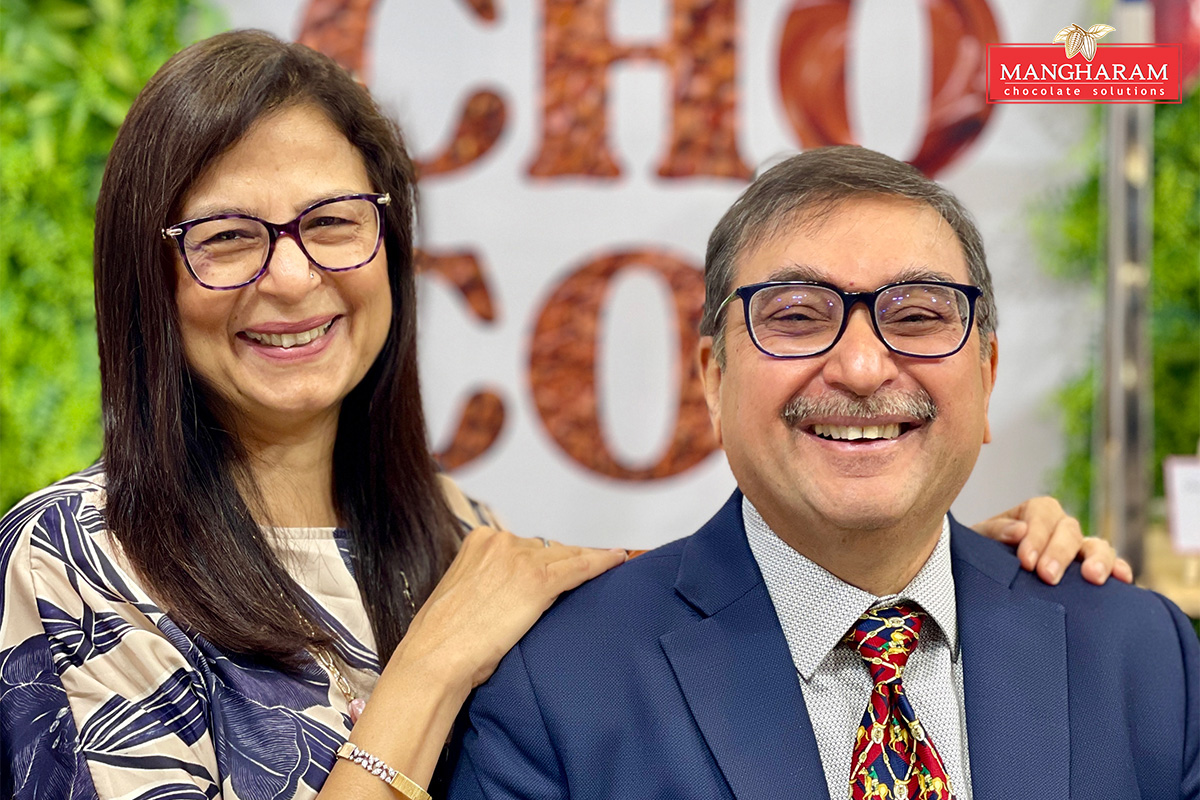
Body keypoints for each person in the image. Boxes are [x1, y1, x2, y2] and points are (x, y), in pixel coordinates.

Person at [0, 32, 1125, 800]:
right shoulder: (72, 562)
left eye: (333, 222)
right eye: (228, 238)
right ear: (149, 275)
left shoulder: (456, 534)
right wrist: (429, 670)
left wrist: (947, 573)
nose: (292, 278)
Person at [448, 147, 1198, 800]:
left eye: (916, 316)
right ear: (714, 379)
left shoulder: (1143, 656)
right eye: (798, 317)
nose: (863, 368)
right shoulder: (560, 681)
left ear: (987, 374)